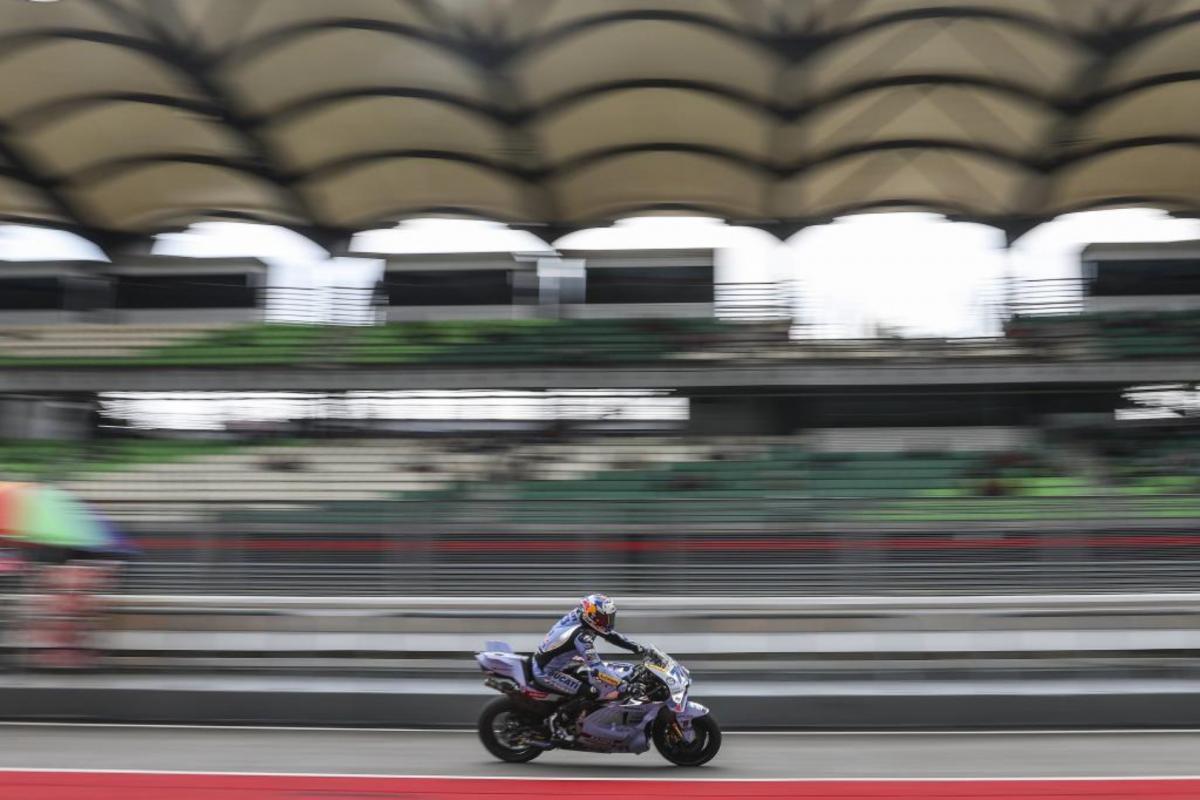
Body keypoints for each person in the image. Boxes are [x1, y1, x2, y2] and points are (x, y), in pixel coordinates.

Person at [532, 593, 644, 742]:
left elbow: (610, 635)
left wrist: (638, 648)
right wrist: (623, 686)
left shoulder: (582, 616)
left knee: (586, 676)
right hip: (547, 672)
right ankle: (557, 722)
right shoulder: (581, 636)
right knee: (592, 691)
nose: (608, 622)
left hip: (558, 660)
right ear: (592, 616)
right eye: (605, 618)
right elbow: (597, 668)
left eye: (610, 617)